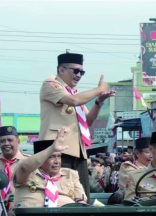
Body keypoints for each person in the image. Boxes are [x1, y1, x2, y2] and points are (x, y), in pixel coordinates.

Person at [39, 52, 115, 200]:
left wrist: (99, 102)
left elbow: (88, 121)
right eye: (76, 71)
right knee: (61, 194)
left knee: (81, 196)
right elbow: (73, 101)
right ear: (61, 70)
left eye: (82, 72)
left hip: (78, 152)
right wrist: (98, 89)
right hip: (57, 151)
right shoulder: (51, 84)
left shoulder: (74, 92)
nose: (79, 75)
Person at [13, 128, 87, 209]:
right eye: (51, 157)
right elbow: (24, 168)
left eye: (59, 156)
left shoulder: (70, 174)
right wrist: (51, 148)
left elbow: (81, 201)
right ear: (41, 159)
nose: (57, 161)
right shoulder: (29, 172)